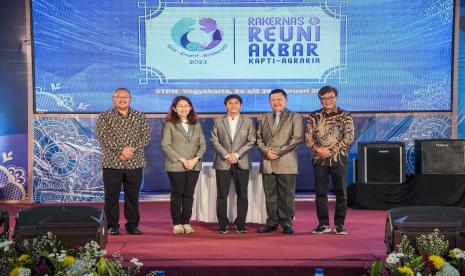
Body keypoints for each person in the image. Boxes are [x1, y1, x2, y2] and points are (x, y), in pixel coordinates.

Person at [96, 88, 150, 235]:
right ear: (113, 99)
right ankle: (112, 225)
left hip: (135, 162)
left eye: (125, 97)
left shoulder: (139, 116)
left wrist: (129, 151)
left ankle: (132, 225)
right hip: (112, 162)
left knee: (132, 196)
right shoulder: (105, 116)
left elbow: (145, 137)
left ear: (130, 99)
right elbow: (102, 136)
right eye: (118, 97)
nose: (122, 100)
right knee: (111, 196)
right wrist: (121, 150)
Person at [306, 86, 354, 235]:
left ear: (336, 98)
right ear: (320, 99)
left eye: (330, 97)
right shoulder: (313, 116)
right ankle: (323, 224)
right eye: (324, 98)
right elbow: (307, 138)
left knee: (341, 194)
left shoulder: (345, 115)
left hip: (339, 159)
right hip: (319, 160)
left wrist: (330, 151)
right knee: (320, 194)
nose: (327, 101)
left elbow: (349, 137)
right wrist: (318, 150)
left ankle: (340, 224)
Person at [256, 89, 304, 234]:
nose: (276, 102)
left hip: (286, 161)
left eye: (279, 99)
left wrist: (278, 152)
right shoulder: (264, 117)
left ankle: (286, 223)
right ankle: (272, 222)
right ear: (269, 102)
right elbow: (258, 138)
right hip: (267, 161)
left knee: (286, 195)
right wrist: (266, 151)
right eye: (273, 100)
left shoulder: (295, 117)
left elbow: (297, 139)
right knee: (270, 194)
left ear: (286, 100)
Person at [210, 94, 256, 234]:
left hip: (241, 162)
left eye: (236, 103)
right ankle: (222, 224)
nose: (233, 105)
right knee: (221, 195)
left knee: (242, 195)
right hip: (223, 162)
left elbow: (252, 140)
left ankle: (240, 224)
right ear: (226, 106)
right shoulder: (218, 121)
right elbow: (214, 140)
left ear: (240, 105)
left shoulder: (248, 121)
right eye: (230, 103)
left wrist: (236, 155)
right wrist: (226, 155)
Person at [161, 96, 206, 234]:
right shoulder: (169, 124)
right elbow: (165, 145)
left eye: (186, 106)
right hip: (176, 165)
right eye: (180, 106)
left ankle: (186, 222)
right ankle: (177, 223)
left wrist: (195, 159)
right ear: (174, 108)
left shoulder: (196, 125)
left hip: (194, 165)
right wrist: (183, 160)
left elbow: (203, 145)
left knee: (189, 194)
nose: (183, 108)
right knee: (177, 194)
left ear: (190, 108)